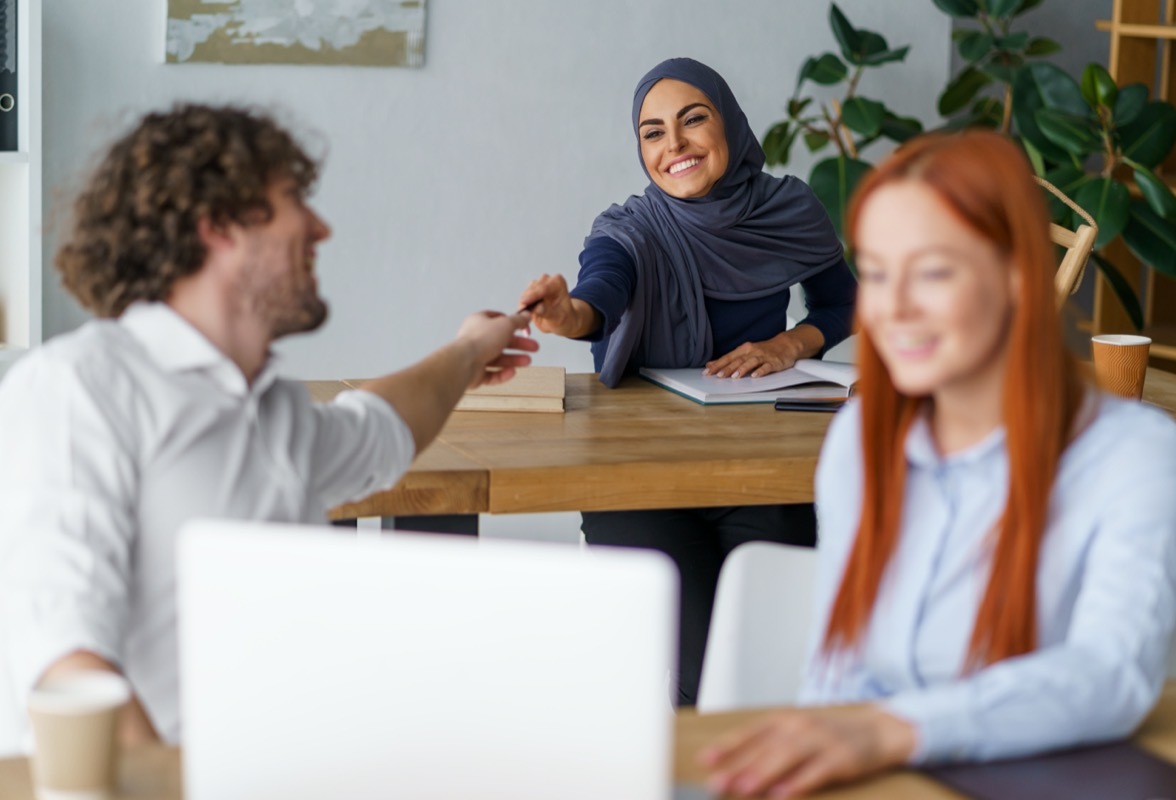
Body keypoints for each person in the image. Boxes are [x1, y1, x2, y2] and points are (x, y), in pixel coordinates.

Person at [0, 103, 538, 755]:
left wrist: (468, 351)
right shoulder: (79, 387)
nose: (321, 228)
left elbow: (380, 427)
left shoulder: (271, 414)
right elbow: (73, 677)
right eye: (293, 200)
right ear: (221, 225)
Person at [696, 130, 1176, 797]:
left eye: (931, 271)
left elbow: (1110, 675)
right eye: (875, 272)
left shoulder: (1134, 455)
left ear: (1017, 277)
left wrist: (890, 729)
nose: (892, 309)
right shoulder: (859, 444)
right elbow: (837, 672)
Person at [517, 57, 856, 705]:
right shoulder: (630, 231)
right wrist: (571, 314)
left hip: (764, 473)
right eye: (652, 132)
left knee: (760, 677)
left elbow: (843, 303)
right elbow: (602, 293)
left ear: (727, 121)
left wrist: (790, 344)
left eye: (692, 120)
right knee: (686, 682)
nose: (673, 145)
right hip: (642, 476)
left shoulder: (790, 209)